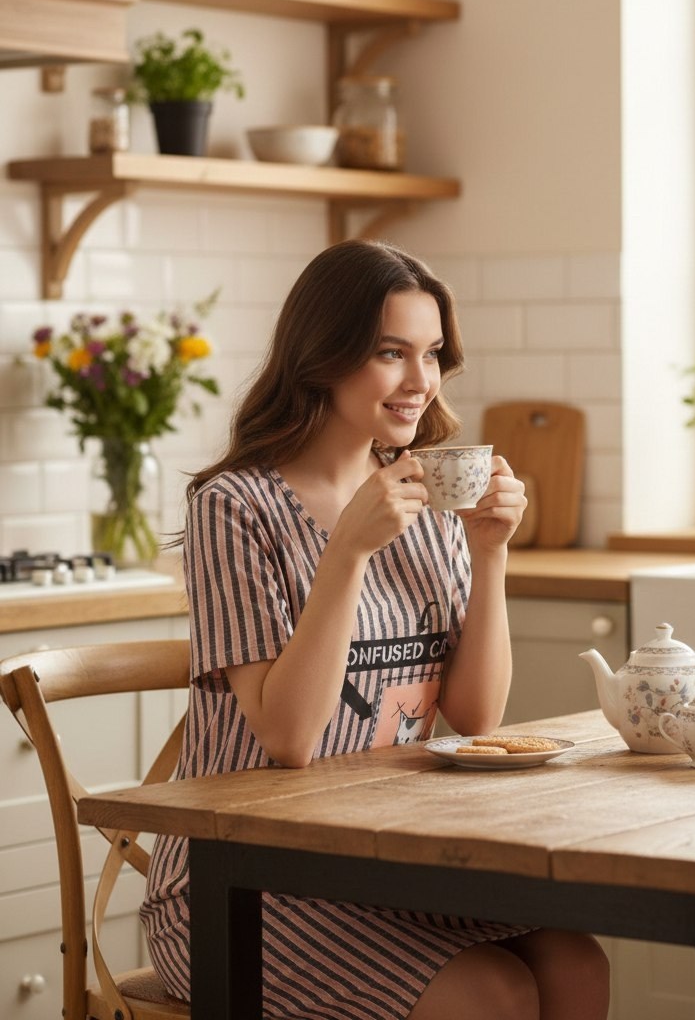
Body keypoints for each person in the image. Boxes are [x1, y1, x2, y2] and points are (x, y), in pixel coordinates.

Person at [141, 239, 610, 1020]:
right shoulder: (234, 507)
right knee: (492, 995)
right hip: (238, 882)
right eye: (391, 352)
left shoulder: (427, 496)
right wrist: (347, 551)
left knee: (575, 964)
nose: (420, 381)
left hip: (378, 861)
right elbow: (289, 738)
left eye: (431, 354)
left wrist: (490, 555)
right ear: (323, 355)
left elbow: (476, 717)